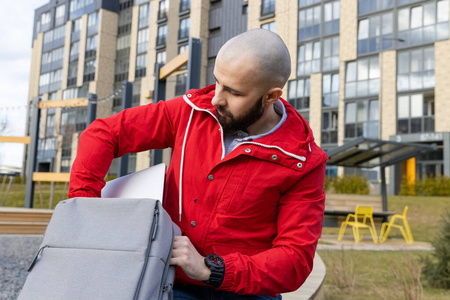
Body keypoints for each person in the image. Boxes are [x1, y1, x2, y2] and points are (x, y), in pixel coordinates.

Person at [69, 29, 328, 299]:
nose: (217, 98)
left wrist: (209, 268)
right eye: (217, 82)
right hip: (167, 279)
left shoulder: (303, 162)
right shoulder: (191, 112)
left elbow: (294, 261)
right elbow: (103, 134)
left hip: (247, 291)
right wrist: (86, 209)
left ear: (271, 96)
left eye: (233, 92)